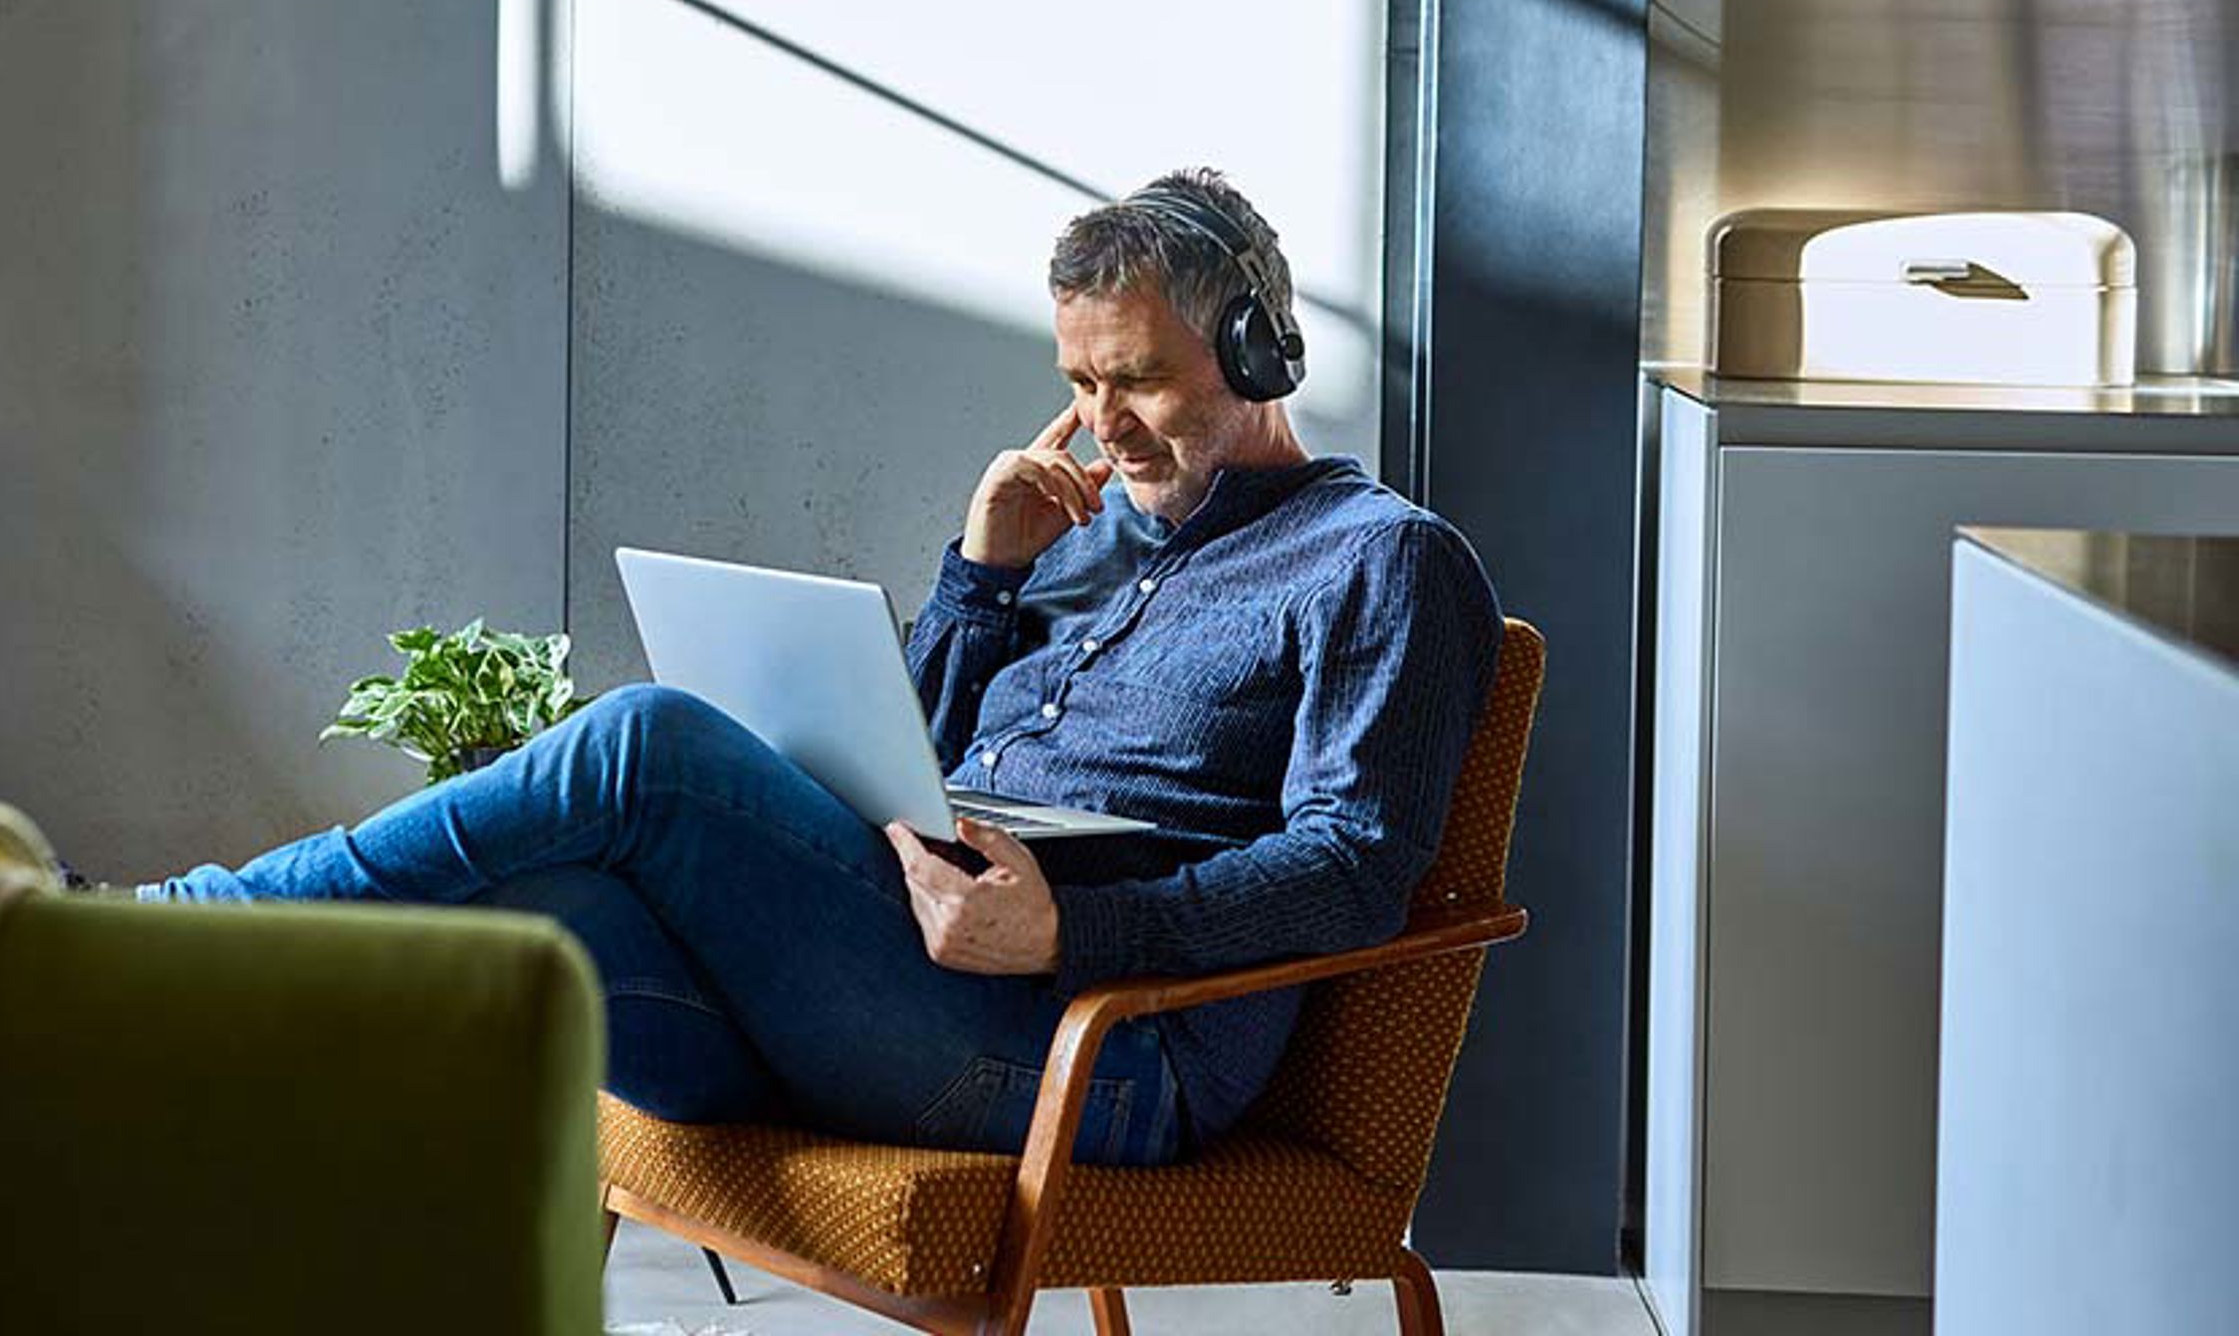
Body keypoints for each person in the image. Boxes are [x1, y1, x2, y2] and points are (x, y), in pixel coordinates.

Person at [144, 169, 1502, 1166]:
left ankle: (177, 934)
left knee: (647, 748)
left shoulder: (1378, 560)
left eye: (1137, 379)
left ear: (1259, 348)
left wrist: (1072, 931)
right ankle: (174, 1066)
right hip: (900, 984)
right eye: (1079, 385)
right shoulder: (1077, 536)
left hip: (1098, 1055)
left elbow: (1353, 867)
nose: (1102, 427)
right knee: (546, 904)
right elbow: (891, 760)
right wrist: (982, 575)